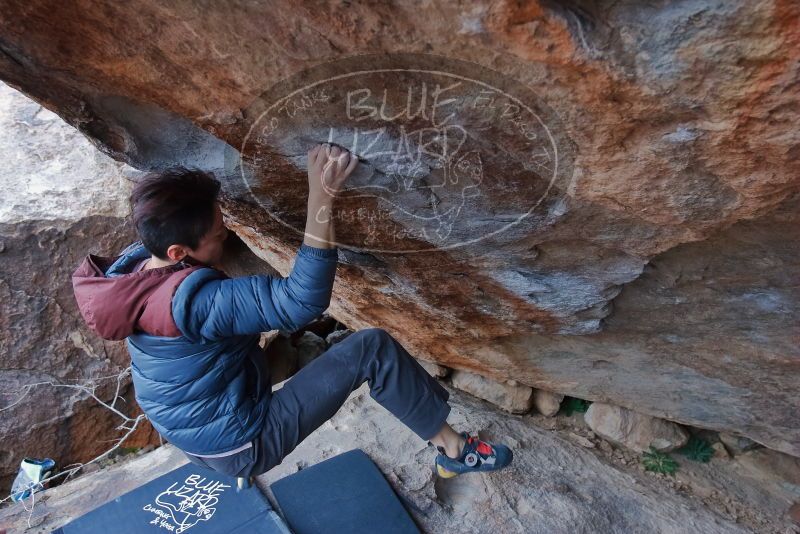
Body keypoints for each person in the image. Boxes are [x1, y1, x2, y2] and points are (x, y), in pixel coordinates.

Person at [71, 143, 513, 480]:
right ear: (178, 251)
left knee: (290, 346)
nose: (226, 236)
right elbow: (301, 301)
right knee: (371, 347)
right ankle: (455, 454)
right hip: (242, 443)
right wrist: (321, 195)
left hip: (196, 433)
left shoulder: (131, 271)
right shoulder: (196, 301)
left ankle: (298, 363)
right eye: (218, 233)